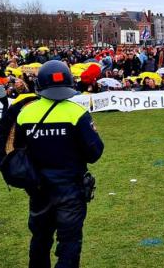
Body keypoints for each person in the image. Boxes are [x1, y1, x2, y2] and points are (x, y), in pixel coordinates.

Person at [14, 60, 103, 268]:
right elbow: (94, 152)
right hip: (70, 189)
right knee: (70, 242)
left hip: (38, 188)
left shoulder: (25, 113)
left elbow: (17, 152)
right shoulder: (76, 112)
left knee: (40, 240)